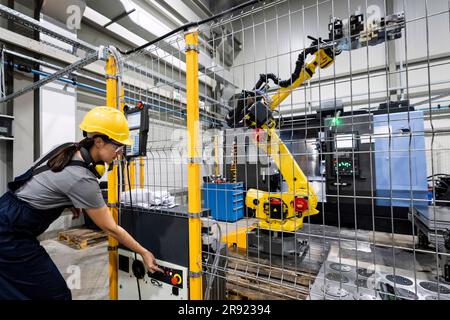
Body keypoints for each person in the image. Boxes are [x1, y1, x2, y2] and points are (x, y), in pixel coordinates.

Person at [0, 106, 162, 300]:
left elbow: (47, 180)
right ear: (99, 142)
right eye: (117, 147)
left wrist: (69, 202)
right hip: (10, 235)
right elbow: (111, 229)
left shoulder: (66, 148)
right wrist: (143, 252)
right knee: (56, 295)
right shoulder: (82, 179)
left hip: (6, 210)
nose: (119, 153)